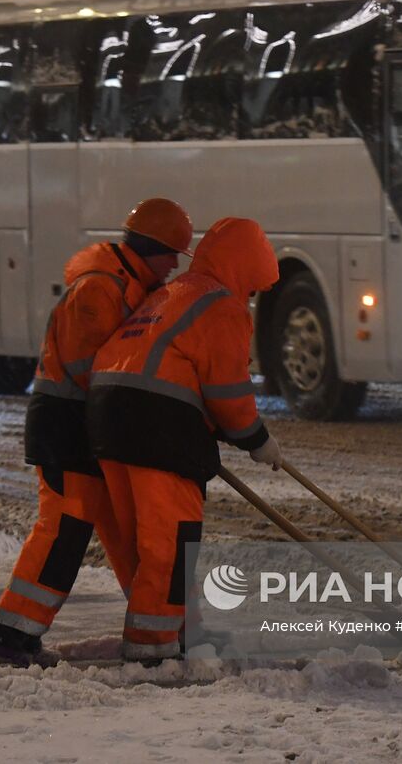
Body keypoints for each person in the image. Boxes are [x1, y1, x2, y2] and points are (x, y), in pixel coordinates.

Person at [0, 198, 194, 666]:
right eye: (173, 254)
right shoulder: (101, 289)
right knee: (63, 530)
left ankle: (160, 624)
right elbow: (89, 369)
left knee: (117, 532)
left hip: (88, 424)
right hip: (66, 424)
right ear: (152, 248)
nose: (175, 266)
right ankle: (11, 635)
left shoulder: (127, 285)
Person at [87, 216, 282, 662]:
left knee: (149, 540)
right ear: (243, 268)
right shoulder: (221, 306)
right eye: (253, 286)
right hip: (157, 424)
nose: (251, 297)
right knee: (170, 543)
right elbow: (229, 393)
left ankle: (183, 632)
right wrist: (257, 440)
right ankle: (151, 647)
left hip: (107, 417)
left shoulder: (173, 293)